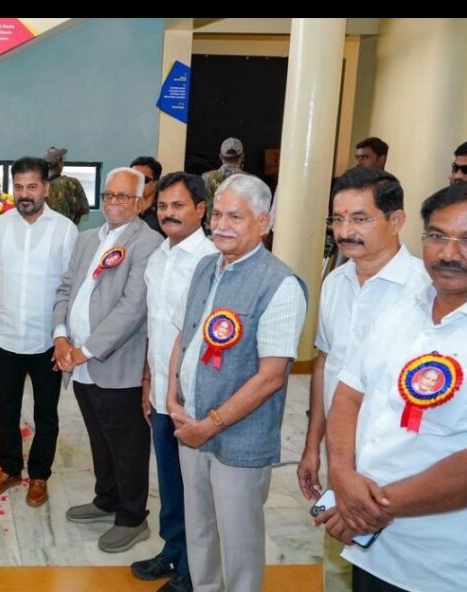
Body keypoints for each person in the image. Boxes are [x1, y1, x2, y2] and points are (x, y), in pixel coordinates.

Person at [318, 182, 467, 592]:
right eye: (437, 236)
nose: (448, 253)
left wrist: (367, 507)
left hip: (445, 565)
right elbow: (349, 393)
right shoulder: (403, 307)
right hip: (370, 548)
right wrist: (341, 473)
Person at [168, 174, 307, 592]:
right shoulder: (206, 267)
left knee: (238, 542)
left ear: (263, 223)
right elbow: (185, 334)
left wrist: (209, 425)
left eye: (235, 217)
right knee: (199, 531)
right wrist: (172, 397)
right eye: (217, 215)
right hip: (191, 425)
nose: (221, 225)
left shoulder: (279, 284)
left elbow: (270, 377)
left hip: (239, 438)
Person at [298, 167, 428, 504]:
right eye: (338, 219)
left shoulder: (425, 290)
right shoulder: (334, 283)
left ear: (396, 221)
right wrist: (313, 445)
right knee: (339, 530)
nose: (345, 232)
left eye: (359, 219)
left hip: (399, 459)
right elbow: (325, 364)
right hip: (338, 449)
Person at [54, 167, 163, 553]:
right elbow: (65, 289)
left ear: (140, 202)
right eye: (109, 195)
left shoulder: (148, 243)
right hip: (78, 362)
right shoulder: (86, 239)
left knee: (127, 443)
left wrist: (85, 350)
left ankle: (132, 516)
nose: (114, 203)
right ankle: (107, 498)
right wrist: (61, 336)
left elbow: (133, 308)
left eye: (123, 196)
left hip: (117, 364)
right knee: (99, 437)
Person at [0, 156, 77, 506]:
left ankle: (40, 476)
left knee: (46, 414)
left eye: (32, 186)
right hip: (6, 337)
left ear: (46, 188)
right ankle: (10, 469)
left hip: (47, 340)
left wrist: (63, 336)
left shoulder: (65, 229)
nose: (24, 194)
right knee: (6, 410)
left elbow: (70, 287)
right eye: (18, 187)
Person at [130, 172, 216, 592]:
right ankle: (173, 549)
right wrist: (149, 379)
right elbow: (156, 325)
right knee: (168, 478)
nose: (168, 213)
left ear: (201, 209)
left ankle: (193, 568)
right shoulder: (159, 256)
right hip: (162, 391)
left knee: (195, 487)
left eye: (178, 205)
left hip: (193, 396)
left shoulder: (212, 261)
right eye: (162, 206)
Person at [201, 137, 245, 225]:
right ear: (242, 156)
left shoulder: (206, 177)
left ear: (220, 156)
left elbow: (203, 208)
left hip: (212, 229)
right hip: (239, 229)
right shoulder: (251, 180)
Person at [45, 146, 90, 225]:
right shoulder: (73, 183)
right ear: (59, 164)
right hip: (69, 228)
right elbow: (85, 209)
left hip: (47, 229)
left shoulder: (39, 186)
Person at [130, 156, 163, 234]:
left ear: (156, 183)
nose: (137, 183)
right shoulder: (124, 210)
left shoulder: (163, 213)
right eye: (133, 179)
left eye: (143, 179)